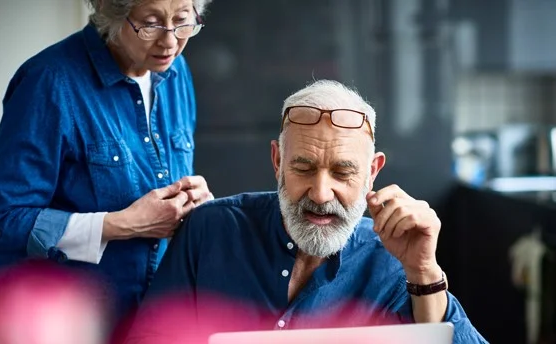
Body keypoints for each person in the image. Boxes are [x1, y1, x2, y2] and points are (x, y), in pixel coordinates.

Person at [125, 80, 488, 344]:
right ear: (278, 161)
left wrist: (424, 271)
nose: (320, 192)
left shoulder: (393, 257)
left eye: (343, 172)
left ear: (372, 172)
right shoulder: (209, 230)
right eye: (303, 168)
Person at [0, 0, 214, 320]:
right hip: (57, 322)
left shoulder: (175, 71)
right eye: (151, 23)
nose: (170, 40)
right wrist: (122, 225)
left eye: (183, 21)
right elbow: (0, 223)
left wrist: (192, 204)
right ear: (108, 8)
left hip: (145, 315)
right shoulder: (49, 81)